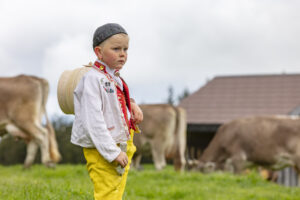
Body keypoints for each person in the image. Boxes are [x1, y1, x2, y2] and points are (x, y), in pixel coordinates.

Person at [71, 23, 143, 200]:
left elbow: (113, 103)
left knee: (116, 190)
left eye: (126, 49)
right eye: (116, 48)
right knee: (107, 193)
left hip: (121, 144)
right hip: (102, 149)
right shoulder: (92, 79)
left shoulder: (112, 77)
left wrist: (131, 104)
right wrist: (112, 152)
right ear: (98, 52)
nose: (123, 54)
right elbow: (93, 121)